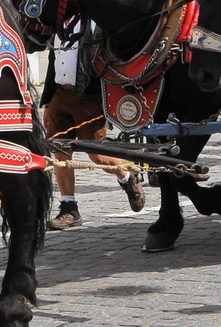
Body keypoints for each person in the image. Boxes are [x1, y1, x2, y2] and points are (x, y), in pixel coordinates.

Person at [43, 23, 145, 230]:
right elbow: (53, 62)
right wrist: (47, 102)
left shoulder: (95, 23)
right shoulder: (59, 22)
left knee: (97, 155)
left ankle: (127, 177)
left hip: (88, 97)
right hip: (60, 95)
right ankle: (69, 208)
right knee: (61, 155)